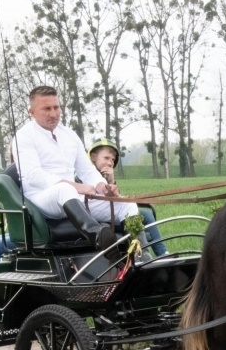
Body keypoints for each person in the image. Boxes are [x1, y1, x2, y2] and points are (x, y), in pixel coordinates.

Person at [12, 85, 141, 252]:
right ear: (32, 112)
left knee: (127, 204)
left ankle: (139, 255)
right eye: (47, 109)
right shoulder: (23, 137)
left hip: (73, 198)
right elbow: (33, 176)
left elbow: (87, 170)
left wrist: (102, 186)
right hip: (40, 199)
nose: (53, 113)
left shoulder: (69, 135)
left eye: (56, 107)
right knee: (64, 189)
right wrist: (77, 187)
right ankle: (98, 236)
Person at [88, 138, 168, 257]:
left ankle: (162, 253)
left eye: (112, 160)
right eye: (106, 158)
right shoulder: (86, 174)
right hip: (96, 216)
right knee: (141, 215)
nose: (110, 163)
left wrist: (111, 181)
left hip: (111, 212)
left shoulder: (104, 176)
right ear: (93, 156)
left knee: (147, 214)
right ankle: (143, 254)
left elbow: (116, 199)